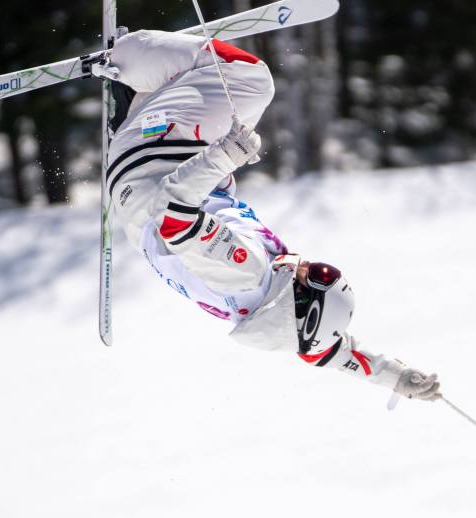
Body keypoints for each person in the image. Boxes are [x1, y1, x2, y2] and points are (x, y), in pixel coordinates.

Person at [95, 30, 440, 402]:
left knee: (250, 81)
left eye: (318, 275)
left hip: (150, 164)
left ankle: (123, 57)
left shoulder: (247, 270)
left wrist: (225, 156)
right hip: (143, 182)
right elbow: (321, 349)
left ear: (302, 301)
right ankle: (140, 102)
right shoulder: (267, 312)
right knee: (225, 110)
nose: (308, 263)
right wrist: (394, 377)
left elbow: (173, 216)